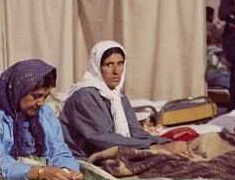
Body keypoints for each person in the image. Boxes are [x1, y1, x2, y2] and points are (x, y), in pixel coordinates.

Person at [60, 41, 189, 160]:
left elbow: (137, 132)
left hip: (112, 151)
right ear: (97, 67)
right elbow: (104, 139)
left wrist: (167, 143)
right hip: (84, 157)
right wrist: (154, 148)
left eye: (120, 63)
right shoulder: (84, 96)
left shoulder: (118, 96)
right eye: (109, 64)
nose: (116, 71)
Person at [0, 59, 82, 180]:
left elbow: (59, 150)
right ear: (18, 90)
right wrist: (38, 172)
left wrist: (69, 171)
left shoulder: (45, 113)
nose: (41, 103)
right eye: (35, 96)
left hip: (45, 175)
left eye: (45, 96)